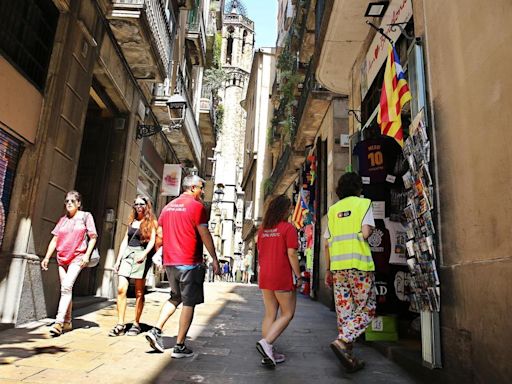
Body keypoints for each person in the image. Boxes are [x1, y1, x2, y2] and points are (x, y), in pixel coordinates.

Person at [145, 175, 220, 358]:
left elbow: (160, 234)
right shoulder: (197, 207)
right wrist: (214, 258)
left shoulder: (168, 207)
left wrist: (164, 255)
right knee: (189, 302)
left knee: (175, 297)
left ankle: (156, 329)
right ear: (193, 187)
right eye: (201, 188)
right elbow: (205, 234)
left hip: (170, 262)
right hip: (189, 263)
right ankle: (179, 346)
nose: (202, 191)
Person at [324, 172, 376, 373]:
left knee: (345, 312)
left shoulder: (333, 209)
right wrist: (369, 231)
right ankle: (343, 340)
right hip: (359, 265)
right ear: (358, 188)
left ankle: (349, 357)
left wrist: (327, 269)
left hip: (338, 268)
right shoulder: (363, 204)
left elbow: (327, 244)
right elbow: (365, 232)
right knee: (366, 308)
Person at [41, 191, 97, 337]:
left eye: (73, 201)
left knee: (66, 287)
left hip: (77, 256)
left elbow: (93, 237)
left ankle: (58, 323)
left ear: (79, 203)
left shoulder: (85, 216)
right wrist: (47, 257)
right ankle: (67, 321)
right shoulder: (62, 220)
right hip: (62, 258)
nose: (69, 203)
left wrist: (86, 255)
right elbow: (54, 240)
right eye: (67, 201)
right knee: (66, 289)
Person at [255, 195, 301, 367]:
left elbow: (261, 253)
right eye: (290, 208)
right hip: (281, 275)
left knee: (270, 313)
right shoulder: (288, 229)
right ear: (284, 210)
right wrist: (298, 274)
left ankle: (268, 352)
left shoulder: (262, 230)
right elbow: (292, 254)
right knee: (288, 313)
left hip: (265, 275)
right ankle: (266, 344)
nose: (291, 211)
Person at [109, 195, 157, 337]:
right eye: (135, 204)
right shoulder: (132, 221)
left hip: (141, 255)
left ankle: (136, 323)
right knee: (121, 289)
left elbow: (152, 241)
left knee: (139, 292)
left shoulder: (151, 222)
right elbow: (125, 240)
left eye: (141, 204)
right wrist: (118, 260)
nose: (138, 206)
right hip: (128, 255)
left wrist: (145, 254)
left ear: (146, 206)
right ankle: (120, 324)